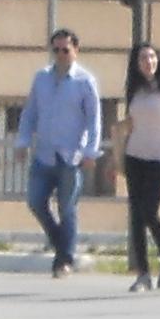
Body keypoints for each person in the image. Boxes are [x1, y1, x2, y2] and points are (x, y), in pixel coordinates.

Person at [21, 28, 104, 277]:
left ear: (75, 51)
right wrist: (22, 140)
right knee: (35, 201)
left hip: (70, 156)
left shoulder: (84, 81)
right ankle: (62, 244)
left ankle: (64, 260)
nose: (60, 54)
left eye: (65, 50)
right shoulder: (41, 78)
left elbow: (94, 119)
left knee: (67, 208)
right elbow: (30, 112)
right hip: (44, 154)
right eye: (55, 50)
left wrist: (91, 150)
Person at [117, 43, 160, 290]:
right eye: (144, 58)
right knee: (135, 214)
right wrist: (117, 154)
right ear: (136, 63)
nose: (149, 62)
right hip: (135, 154)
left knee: (149, 211)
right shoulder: (133, 89)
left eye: (153, 57)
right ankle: (142, 273)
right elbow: (131, 122)